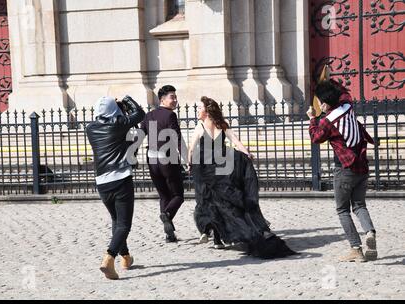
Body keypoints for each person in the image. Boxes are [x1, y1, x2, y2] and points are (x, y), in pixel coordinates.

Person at [188, 96, 296, 258]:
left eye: (200, 108)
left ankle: (216, 236)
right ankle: (218, 237)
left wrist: (190, 164)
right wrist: (246, 153)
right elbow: (236, 141)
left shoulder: (200, 126)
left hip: (205, 168)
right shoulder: (222, 125)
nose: (197, 111)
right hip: (223, 167)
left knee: (211, 201)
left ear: (207, 111)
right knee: (222, 202)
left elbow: (191, 148)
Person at [307, 80, 378, 262]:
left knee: (342, 209)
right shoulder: (348, 106)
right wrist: (329, 85)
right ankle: (369, 232)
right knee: (360, 205)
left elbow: (316, 138)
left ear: (325, 103)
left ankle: (356, 248)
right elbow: (345, 93)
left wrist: (312, 119)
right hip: (362, 166)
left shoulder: (328, 121)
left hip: (344, 169)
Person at [86, 95, 145, 280]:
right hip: (121, 178)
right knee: (124, 224)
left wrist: (116, 108)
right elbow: (140, 114)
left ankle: (126, 257)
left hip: (102, 182)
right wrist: (126, 100)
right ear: (114, 110)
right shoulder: (118, 124)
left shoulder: (91, 128)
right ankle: (109, 258)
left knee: (116, 220)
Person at [140, 85, 187, 243]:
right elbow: (177, 138)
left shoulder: (148, 115)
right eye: (172, 97)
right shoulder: (170, 115)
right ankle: (167, 215)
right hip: (167, 159)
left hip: (151, 160)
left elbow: (140, 136)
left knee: (164, 196)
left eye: (175, 97)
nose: (175, 100)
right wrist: (187, 158)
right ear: (162, 99)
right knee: (178, 195)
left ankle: (169, 235)